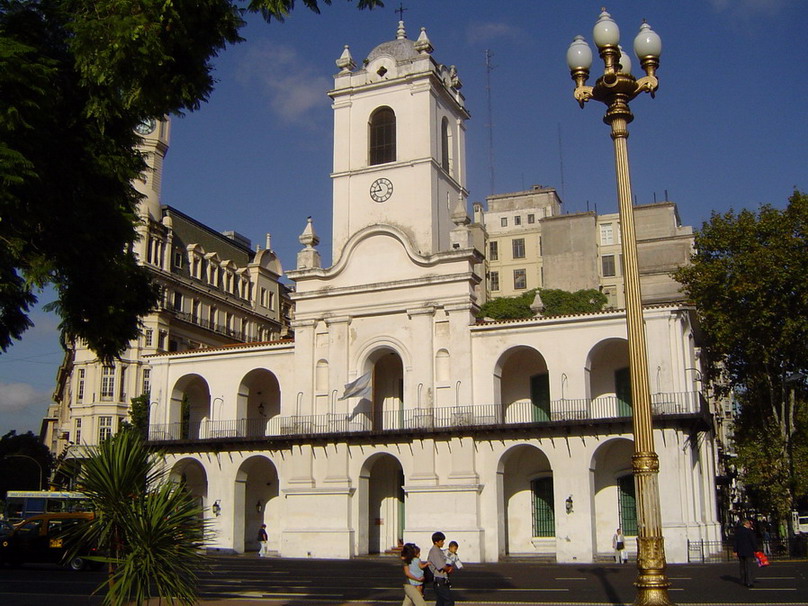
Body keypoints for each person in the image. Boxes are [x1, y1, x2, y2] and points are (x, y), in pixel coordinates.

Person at [427, 531, 455, 606]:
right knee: (448, 600)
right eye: (441, 541)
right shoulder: (435, 551)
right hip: (439, 579)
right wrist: (448, 569)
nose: (443, 543)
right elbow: (441, 566)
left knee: (441, 601)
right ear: (436, 542)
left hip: (442, 578)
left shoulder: (439, 551)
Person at [734, 519, 757, 587]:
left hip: (740, 551)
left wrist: (735, 550)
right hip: (748, 551)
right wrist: (756, 549)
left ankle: (743, 580)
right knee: (749, 567)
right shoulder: (749, 531)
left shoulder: (738, 531)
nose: (750, 525)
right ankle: (749, 582)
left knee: (742, 566)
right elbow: (753, 541)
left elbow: (735, 541)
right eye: (749, 523)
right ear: (746, 524)